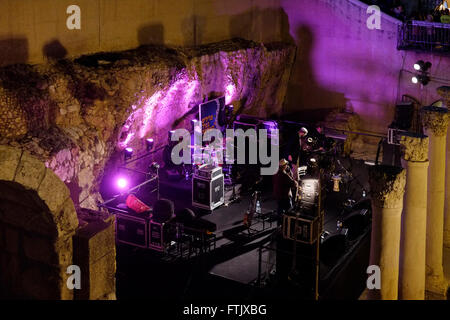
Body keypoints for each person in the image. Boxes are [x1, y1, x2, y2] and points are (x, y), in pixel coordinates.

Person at [273, 159, 299, 223]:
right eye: (286, 164)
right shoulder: (285, 175)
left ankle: (279, 224)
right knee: (289, 211)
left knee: (280, 210)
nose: (287, 165)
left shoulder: (276, 174)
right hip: (285, 196)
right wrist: (290, 173)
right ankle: (288, 225)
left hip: (278, 195)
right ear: (284, 166)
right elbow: (294, 183)